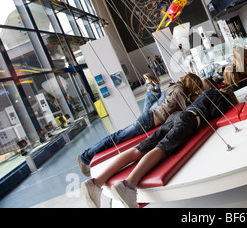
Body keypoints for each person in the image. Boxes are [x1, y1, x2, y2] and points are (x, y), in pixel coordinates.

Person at [81, 88, 238, 208]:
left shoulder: (208, 92)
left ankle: (96, 182)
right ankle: (128, 185)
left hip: (175, 116)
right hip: (189, 120)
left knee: (139, 150)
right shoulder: (222, 99)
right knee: (162, 149)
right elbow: (214, 114)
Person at [77, 73, 203, 177]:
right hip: (148, 122)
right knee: (118, 137)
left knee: (121, 133)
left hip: (151, 117)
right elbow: (189, 110)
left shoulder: (176, 87)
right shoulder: (180, 92)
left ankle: (152, 89)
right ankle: (86, 157)